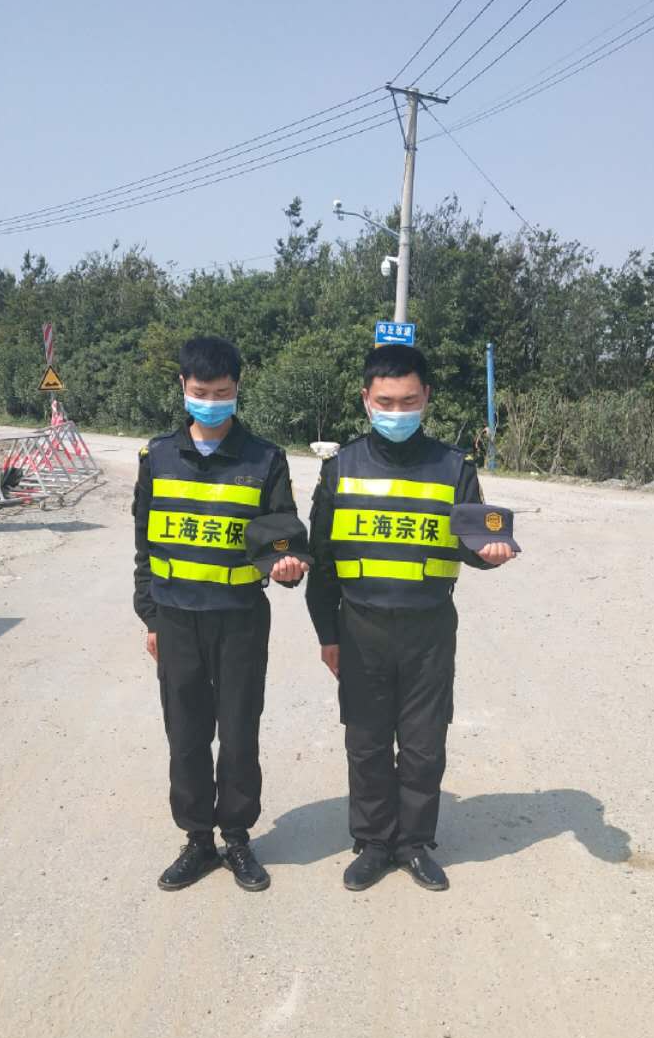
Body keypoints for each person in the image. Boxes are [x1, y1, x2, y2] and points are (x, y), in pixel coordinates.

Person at [306, 344, 518, 893]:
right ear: (366, 399)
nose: (396, 412)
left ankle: (414, 843)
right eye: (385, 402)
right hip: (360, 627)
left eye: (407, 401)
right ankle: (374, 842)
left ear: (426, 397)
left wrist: (489, 555)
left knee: (424, 745)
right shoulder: (340, 469)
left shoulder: (453, 467)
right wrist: (327, 634)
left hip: (429, 629)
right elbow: (322, 563)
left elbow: (473, 541)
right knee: (367, 742)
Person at [133, 336, 308, 893]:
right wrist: (151, 618)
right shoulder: (157, 457)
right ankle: (197, 840)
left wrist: (289, 569)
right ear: (183, 388)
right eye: (201, 392)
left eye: (222, 392)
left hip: (240, 619)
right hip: (177, 620)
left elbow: (284, 538)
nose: (211, 401)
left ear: (238, 389)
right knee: (185, 736)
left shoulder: (264, 459)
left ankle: (235, 837)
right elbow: (144, 547)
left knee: (237, 733)